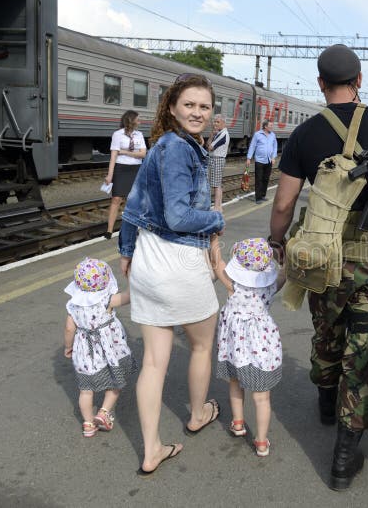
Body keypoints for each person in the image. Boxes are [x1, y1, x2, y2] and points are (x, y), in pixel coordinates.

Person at [269, 44, 368, 491]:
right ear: (359, 80)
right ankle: (344, 457)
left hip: (321, 258)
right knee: (362, 353)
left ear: (320, 83)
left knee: (326, 331)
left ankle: (326, 401)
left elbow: (284, 203)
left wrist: (277, 243)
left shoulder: (304, 134)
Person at [118, 74, 226, 476]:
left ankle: (151, 450)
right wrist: (216, 217)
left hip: (148, 261)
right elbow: (179, 217)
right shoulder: (181, 150)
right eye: (190, 105)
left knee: (153, 363)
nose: (197, 112)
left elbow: (133, 205)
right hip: (179, 263)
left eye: (204, 106)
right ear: (172, 107)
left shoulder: (159, 146)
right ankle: (197, 414)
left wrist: (126, 251)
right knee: (200, 347)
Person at [216, 238, 286, 457]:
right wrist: (287, 258)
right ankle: (262, 442)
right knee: (262, 397)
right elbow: (285, 273)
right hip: (262, 346)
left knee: (235, 381)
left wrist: (214, 239)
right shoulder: (272, 285)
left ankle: (238, 423)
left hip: (236, 345)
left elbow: (216, 262)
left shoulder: (232, 286)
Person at [63, 257, 136, 438]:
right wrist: (130, 277)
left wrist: (68, 347)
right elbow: (130, 296)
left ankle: (88, 424)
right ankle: (104, 412)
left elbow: (69, 328)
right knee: (115, 383)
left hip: (85, 354)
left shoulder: (73, 305)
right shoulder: (107, 300)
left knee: (85, 390)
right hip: (109, 352)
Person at [105, 111, 147, 239]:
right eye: (138, 119)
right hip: (121, 168)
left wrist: (124, 152)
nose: (140, 121)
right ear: (131, 120)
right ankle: (109, 230)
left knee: (133, 200)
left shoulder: (139, 135)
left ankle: (134, 228)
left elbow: (143, 154)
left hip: (136, 169)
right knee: (116, 199)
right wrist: (110, 175)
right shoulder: (117, 135)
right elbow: (113, 156)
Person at [246, 119, 278, 204]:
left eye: (272, 125)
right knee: (259, 179)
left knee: (266, 179)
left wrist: (273, 157)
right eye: (270, 126)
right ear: (265, 126)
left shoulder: (273, 135)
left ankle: (263, 195)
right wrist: (249, 158)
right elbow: (252, 146)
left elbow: (275, 147)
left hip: (269, 160)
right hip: (259, 160)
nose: (272, 127)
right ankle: (258, 198)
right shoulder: (257, 135)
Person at [208, 115, 229, 211]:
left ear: (223, 123)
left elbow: (210, 147)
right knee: (217, 184)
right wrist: (212, 135)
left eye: (217, 122)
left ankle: (217, 207)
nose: (214, 124)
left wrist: (212, 138)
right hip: (215, 159)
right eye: (214, 121)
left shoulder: (223, 134)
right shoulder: (218, 133)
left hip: (217, 159)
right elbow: (208, 144)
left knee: (216, 185)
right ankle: (218, 206)